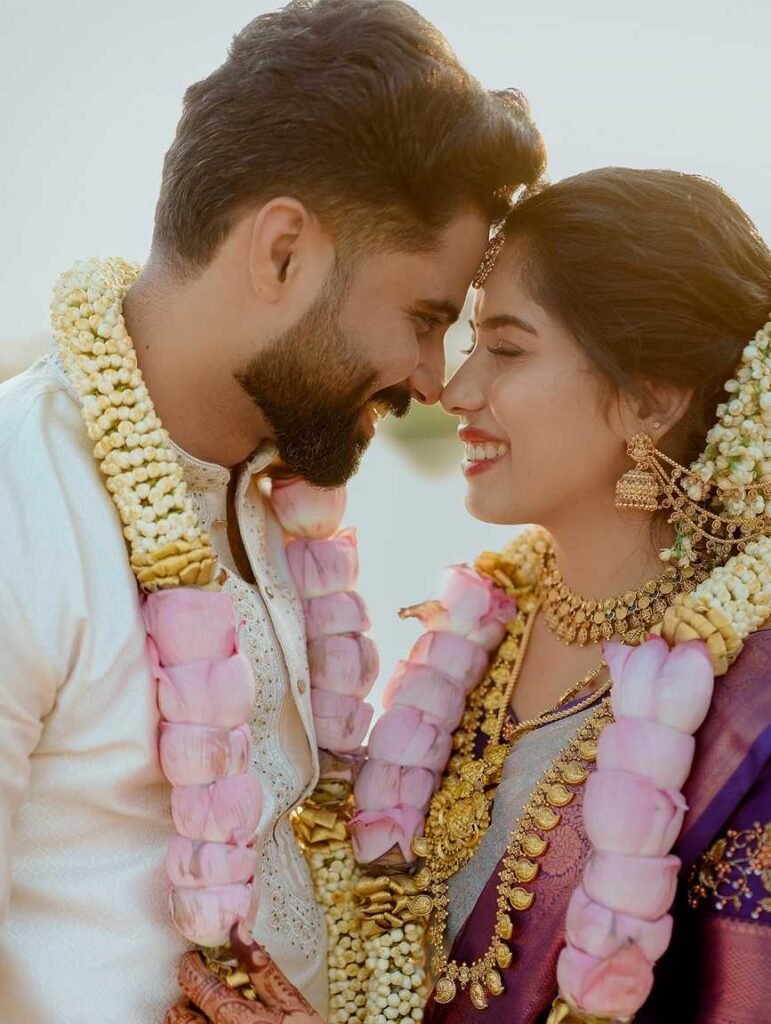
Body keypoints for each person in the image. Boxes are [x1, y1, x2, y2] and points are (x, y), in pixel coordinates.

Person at [0, 1, 545, 1021]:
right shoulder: (17, 505)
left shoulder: (278, 492)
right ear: (284, 251)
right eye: (426, 318)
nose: (435, 379)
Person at [344, 168, 770, 1023]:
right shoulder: (480, 630)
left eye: (506, 349)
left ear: (647, 400)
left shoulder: (747, 706)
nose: (455, 393)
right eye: (468, 343)